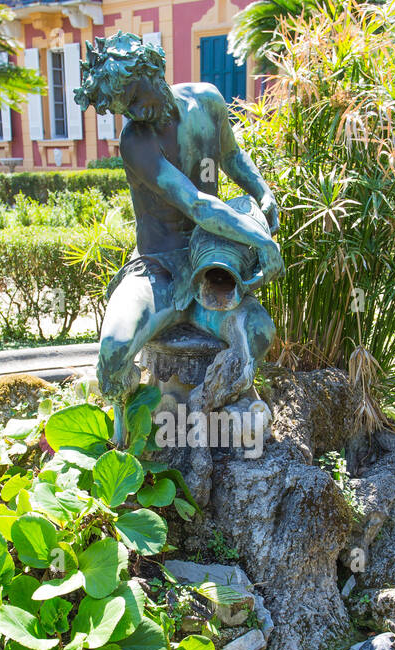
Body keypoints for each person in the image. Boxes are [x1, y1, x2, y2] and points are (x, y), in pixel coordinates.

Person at [73, 32, 283, 443]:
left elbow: (232, 157)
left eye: (134, 98)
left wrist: (262, 192)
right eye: (123, 109)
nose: (134, 112)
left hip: (212, 262)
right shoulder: (137, 140)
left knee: (260, 332)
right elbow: (197, 204)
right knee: (113, 351)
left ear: (153, 69)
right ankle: (128, 431)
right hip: (158, 271)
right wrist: (262, 241)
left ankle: (214, 406)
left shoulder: (207, 101)